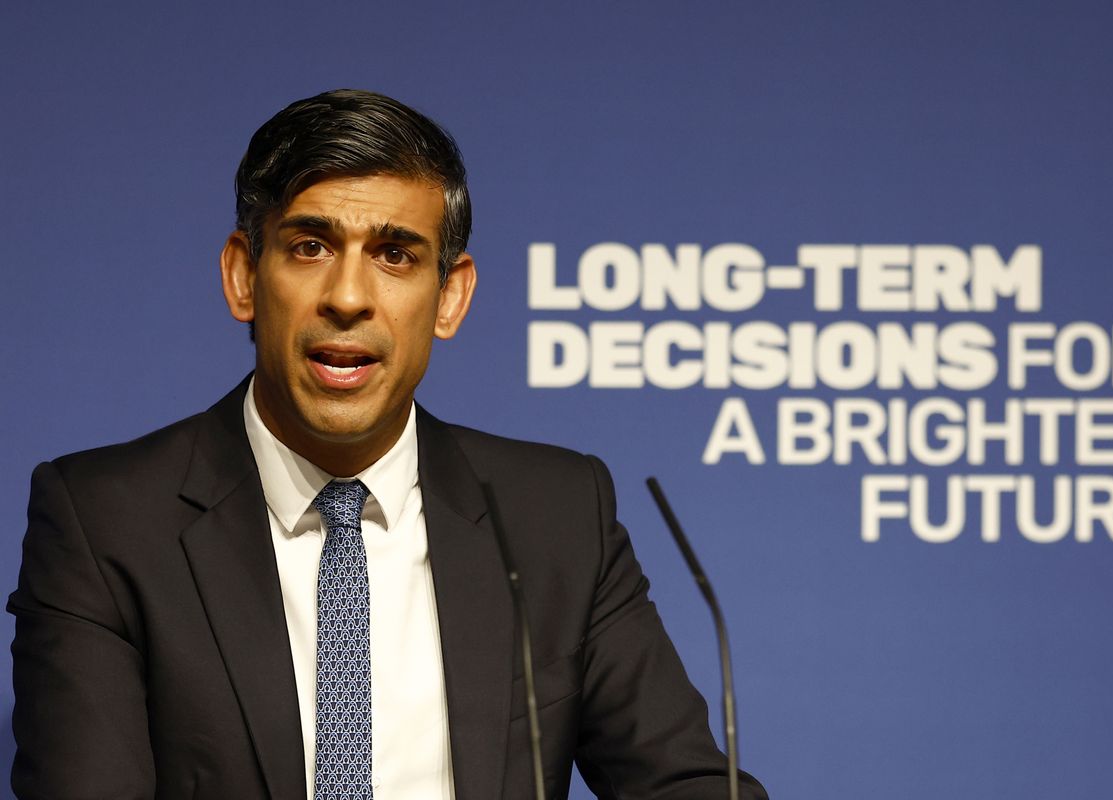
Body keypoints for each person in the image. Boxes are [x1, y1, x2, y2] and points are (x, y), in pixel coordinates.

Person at [8, 89, 768, 800]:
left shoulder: (556, 516)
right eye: (309, 246)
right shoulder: (103, 522)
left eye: (396, 255)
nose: (347, 297)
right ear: (243, 276)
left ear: (451, 296)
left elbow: (684, 785)